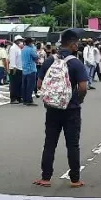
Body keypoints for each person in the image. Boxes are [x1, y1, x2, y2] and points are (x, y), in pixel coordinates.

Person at [34, 28, 89, 188]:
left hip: (52, 109)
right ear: (72, 44)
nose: (77, 45)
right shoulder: (76, 63)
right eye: (76, 43)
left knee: (50, 143)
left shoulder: (50, 60)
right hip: (71, 109)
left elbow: (39, 84)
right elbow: (83, 87)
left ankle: (45, 178)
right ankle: (75, 179)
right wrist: (78, 100)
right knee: (72, 144)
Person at [21, 37, 39, 105]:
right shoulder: (31, 49)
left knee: (25, 86)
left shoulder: (23, 49)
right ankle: (29, 100)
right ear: (30, 43)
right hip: (31, 69)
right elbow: (36, 57)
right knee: (30, 86)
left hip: (24, 69)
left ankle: (25, 100)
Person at [8, 36, 24, 103]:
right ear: (16, 41)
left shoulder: (18, 48)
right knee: (14, 84)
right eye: (19, 40)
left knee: (19, 84)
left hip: (20, 68)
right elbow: (12, 58)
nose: (21, 41)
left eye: (21, 40)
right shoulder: (13, 48)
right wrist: (14, 67)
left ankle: (19, 97)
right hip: (15, 68)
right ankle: (13, 98)